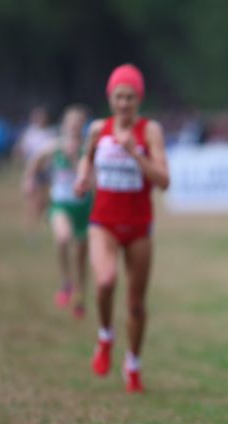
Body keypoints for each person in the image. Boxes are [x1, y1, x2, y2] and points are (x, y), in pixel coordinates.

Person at [74, 64, 170, 393]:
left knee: (136, 304)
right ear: (110, 98)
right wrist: (82, 178)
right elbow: (86, 159)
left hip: (139, 227)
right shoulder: (98, 130)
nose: (124, 103)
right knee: (105, 281)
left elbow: (164, 181)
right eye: (119, 97)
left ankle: (133, 364)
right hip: (104, 222)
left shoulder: (149, 131)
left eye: (130, 97)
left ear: (139, 98)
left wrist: (134, 154)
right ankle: (105, 337)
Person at [24, 105, 92, 318]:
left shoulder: (88, 149)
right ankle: (66, 282)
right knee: (63, 238)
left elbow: (93, 178)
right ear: (64, 126)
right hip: (60, 205)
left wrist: (76, 161)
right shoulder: (55, 146)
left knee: (81, 256)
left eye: (78, 125)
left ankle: (80, 294)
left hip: (84, 207)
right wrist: (29, 180)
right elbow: (36, 159)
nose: (73, 129)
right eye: (70, 125)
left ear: (83, 127)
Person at [18, 106, 55, 234]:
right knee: (31, 199)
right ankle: (30, 227)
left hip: (46, 170)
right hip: (33, 171)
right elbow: (22, 151)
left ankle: (40, 222)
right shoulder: (30, 134)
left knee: (44, 200)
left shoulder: (50, 133)